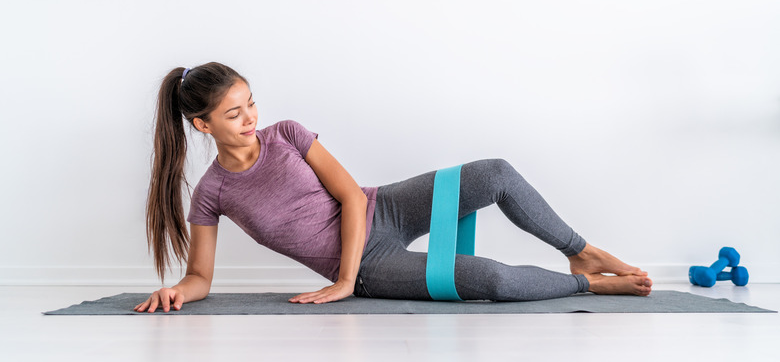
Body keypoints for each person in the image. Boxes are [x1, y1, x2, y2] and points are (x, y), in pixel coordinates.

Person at [134, 62, 653, 313]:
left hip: (384, 209)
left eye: (250, 102)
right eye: (233, 113)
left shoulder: (287, 133)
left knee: (494, 172)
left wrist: (342, 281)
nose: (250, 117)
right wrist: (180, 290)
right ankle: (592, 284)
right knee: (490, 282)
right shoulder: (211, 193)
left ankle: (582, 253)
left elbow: (352, 197)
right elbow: (201, 275)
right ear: (203, 126)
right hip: (372, 267)